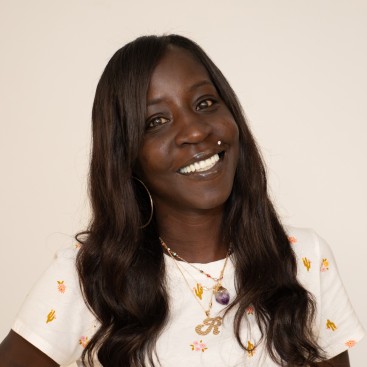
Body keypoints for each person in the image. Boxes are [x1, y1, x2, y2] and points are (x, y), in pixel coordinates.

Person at [0, 34, 364, 367]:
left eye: (206, 103)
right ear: (126, 155)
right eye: (156, 121)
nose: (194, 130)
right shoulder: (89, 278)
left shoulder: (304, 257)